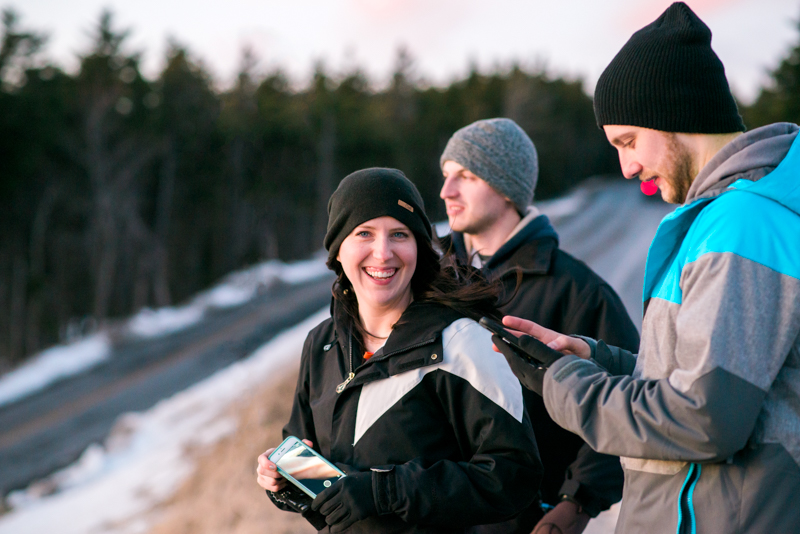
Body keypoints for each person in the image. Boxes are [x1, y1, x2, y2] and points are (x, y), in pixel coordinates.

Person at [496, 3, 800, 533]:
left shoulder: (743, 224)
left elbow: (705, 419)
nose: (626, 166)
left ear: (675, 114)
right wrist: (594, 357)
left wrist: (562, 384)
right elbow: (709, 376)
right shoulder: (719, 220)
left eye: (629, 141)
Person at [256, 167, 543, 533]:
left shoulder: (461, 342)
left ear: (419, 248)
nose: (383, 252)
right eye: (364, 233)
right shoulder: (322, 343)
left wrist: (384, 491)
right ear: (337, 250)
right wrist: (282, 477)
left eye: (399, 234)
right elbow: (307, 457)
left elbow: (514, 474)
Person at [438, 118, 640, 534]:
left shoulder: (579, 291)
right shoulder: (432, 281)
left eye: (466, 176)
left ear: (506, 186)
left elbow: (624, 403)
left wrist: (575, 505)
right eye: (445, 176)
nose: (446, 192)